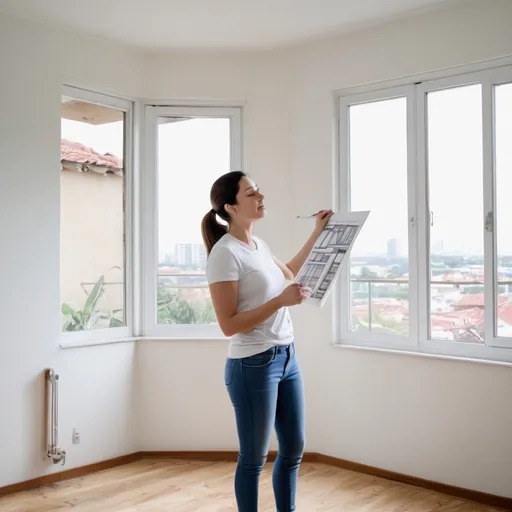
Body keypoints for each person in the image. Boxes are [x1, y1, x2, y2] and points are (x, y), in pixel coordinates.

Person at [201, 170, 333, 512]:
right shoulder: (224, 254)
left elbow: (289, 273)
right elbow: (228, 325)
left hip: (287, 357)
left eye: (258, 191)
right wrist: (279, 302)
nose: (260, 197)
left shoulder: (259, 245)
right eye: (251, 193)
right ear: (230, 206)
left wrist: (316, 234)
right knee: (254, 458)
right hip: (252, 365)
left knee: (293, 450)